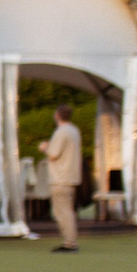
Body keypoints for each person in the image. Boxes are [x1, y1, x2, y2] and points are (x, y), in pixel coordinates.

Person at [43, 102, 83, 252]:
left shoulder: (61, 132)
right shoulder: (74, 130)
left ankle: (69, 243)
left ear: (57, 115)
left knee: (62, 212)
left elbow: (53, 154)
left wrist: (45, 147)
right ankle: (70, 241)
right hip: (70, 177)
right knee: (67, 210)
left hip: (60, 177)